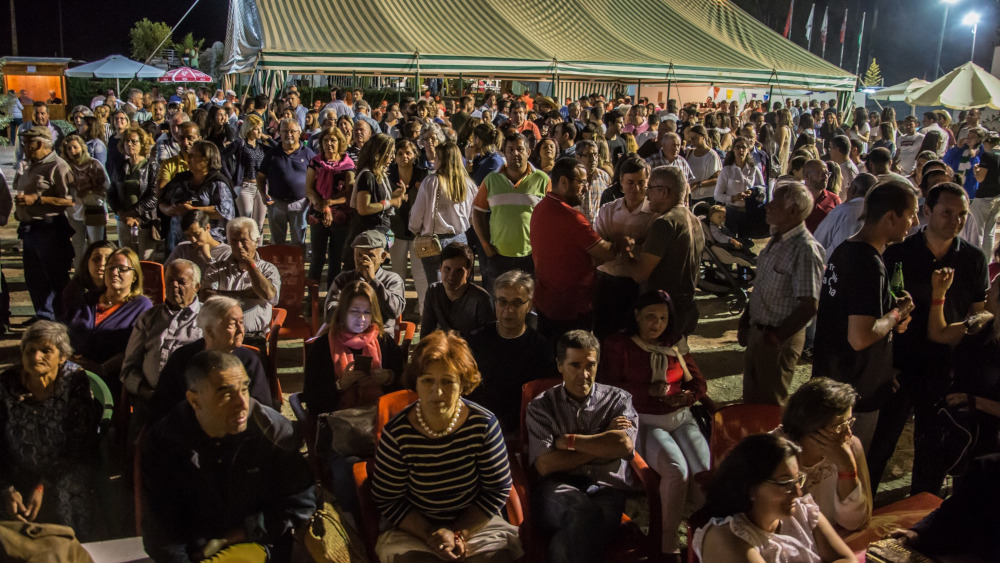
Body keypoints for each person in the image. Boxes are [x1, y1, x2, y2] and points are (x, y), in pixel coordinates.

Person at [867, 183, 989, 495]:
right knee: (880, 447)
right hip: (900, 367)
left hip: (943, 370)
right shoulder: (898, 254)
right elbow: (879, 312)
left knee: (932, 452)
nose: (955, 220)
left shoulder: (973, 259)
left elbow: (978, 318)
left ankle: (921, 516)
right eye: (947, 212)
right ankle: (858, 512)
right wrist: (884, 366)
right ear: (926, 212)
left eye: (962, 214)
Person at [141, 350, 315, 562]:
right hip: (192, 551)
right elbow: (161, 532)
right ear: (194, 401)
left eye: (244, 389)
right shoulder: (165, 441)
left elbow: (299, 504)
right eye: (225, 394)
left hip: (257, 543)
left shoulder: (272, 431)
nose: (242, 404)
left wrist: (235, 536)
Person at [370, 330, 522, 563]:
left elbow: (497, 489)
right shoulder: (398, 432)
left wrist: (458, 533)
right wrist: (433, 536)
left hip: (477, 525)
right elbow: (388, 498)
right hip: (415, 530)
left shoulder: (483, 424)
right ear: (416, 384)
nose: (437, 392)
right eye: (427, 380)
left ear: (462, 384)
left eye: (448, 381)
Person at [598, 290, 710, 557]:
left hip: (681, 418)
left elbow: (698, 381)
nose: (656, 324)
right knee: (676, 470)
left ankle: (706, 540)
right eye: (650, 317)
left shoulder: (674, 344)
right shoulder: (620, 345)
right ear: (636, 316)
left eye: (662, 318)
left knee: (704, 473)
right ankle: (667, 545)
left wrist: (688, 395)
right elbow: (608, 388)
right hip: (645, 419)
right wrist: (645, 391)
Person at [812, 181, 919, 451]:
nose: (915, 221)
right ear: (891, 216)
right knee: (844, 470)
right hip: (853, 396)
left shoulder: (846, 249)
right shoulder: (868, 263)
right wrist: (897, 313)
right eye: (911, 213)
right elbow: (860, 336)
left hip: (834, 382)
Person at [527, 330, 639, 563]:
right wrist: (601, 439)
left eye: (590, 365)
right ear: (559, 366)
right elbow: (546, 465)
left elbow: (622, 445)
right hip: (556, 489)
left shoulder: (619, 400)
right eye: (575, 365)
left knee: (563, 544)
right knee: (582, 512)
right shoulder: (541, 406)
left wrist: (568, 442)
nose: (584, 374)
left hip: (606, 490)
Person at [0, 322, 100, 540]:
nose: (36, 357)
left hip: (64, 466)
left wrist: (42, 485)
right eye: (30, 350)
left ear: (63, 356)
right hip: (16, 468)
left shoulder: (74, 380)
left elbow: (80, 442)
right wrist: (6, 488)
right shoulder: (6, 383)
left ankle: (72, 547)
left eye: (46, 350)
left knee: (65, 491)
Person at [693, 434, 858, 563]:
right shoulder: (727, 538)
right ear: (751, 485)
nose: (798, 493)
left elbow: (847, 559)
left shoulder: (802, 511)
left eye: (797, 480)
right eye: (785, 483)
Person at [739, 180, 824, 405]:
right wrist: (746, 320)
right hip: (761, 333)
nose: (768, 206)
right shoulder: (777, 238)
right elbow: (762, 285)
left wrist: (776, 338)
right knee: (751, 400)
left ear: (793, 210)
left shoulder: (805, 249)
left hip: (778, 339)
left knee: (769, 405)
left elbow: (809, 306)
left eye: (774, 203)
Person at [530, 158, 620, 339]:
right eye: (582, 182)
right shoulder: (572, 217)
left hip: (546, 302)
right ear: (564, 182)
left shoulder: (539, 208)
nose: (586, 188)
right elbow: (606, 253)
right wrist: (622, 243)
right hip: (572, 307)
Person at [151, 296, 275, 422]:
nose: (240, 330)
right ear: (210, 331)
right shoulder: (182, 359)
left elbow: (262, 410)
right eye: (232, 324)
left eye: (241, 322)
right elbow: (163, 406)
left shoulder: (249, 360)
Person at [778, 378, 873, 532]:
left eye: (849, 422)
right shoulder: (776, 453)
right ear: (810, 425)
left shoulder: (850, 448)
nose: (848, 433)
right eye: (840, 425)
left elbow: (857, 523)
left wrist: (847, 468)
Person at [467, 270, 555, 434]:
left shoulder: (541, 349)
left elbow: (541, 399)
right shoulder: (476, 340)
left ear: (529, 305)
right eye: (502, 302)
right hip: (478, 423)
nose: (509, 309)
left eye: (516, 303)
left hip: (522, 427)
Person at [120, 259, 203, 433]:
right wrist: (145, 392)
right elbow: (128, 368)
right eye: (170, 280)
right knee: (139, 443)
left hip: (193, 402)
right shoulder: (148, 318)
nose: (174, 286)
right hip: (150, 399)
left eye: (181, 282)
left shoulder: (207, 318)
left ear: (196, 286)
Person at [61, 247, 153, 396]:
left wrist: (101, 368)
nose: (115, 272)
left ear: (134, 276)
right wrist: (68, 357)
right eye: (110, 267)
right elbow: (62, 331)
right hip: (71, 369)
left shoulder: (141, 305)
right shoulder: (87, 299)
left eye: (122, 268)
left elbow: (136, 349)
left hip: (110, 378)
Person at [625, 166, 705, 337]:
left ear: (663, 191)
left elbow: (640, 274)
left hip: (664, 314)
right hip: (686, 309)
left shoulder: (665, 223)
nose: (647, 195)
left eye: (650, 189)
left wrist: (626, 252)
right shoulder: (694, 220)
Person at [13, 126, 76, 326]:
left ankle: (65, 320)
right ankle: (44, 316)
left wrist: (38, 200)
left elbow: (70, 200)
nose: (23, 147)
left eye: (27, 143)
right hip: (30, 230)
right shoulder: (30, 165)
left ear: (39, 143)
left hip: (50, 230)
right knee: (34, 277)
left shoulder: (58, 166)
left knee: (55, 277)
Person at [472, 133, 551, 285]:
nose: (515, 153)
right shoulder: (491, 179)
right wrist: (485, 245)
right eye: (510, 150)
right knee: (499, 302)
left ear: (528, 152)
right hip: (498, 255)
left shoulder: (543, 180)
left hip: (531, 256)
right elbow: (477, 213)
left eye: (520, 149)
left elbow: (550, 219)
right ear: (504, 152)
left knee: (527, 302)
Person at [593, 155, 656, 339]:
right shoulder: (608, 210)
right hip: (607, 282)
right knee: (603, 335)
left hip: (636, 287)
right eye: (630, 182)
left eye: (641, 182)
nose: (635, 189)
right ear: (621, 182)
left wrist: (617, 246)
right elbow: (599, 247)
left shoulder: (654, 215)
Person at [409, 142, 478, 285]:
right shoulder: (469, 184)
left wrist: (415, 229)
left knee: (436, 287)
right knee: (458, 285)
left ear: (441, 160)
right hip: (460, 239)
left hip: (433, 241)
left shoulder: (431, 182)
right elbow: (473, 216)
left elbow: (417, 214)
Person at [201, 217, 280, 337]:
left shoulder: (268, 269)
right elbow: (205, 296)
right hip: (221, 335)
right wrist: (246, 294)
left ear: (256, 241)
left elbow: (268, 294)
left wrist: (250, 264)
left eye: (243, 240)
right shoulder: (216, 268)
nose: (238, 246)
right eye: (233, 240)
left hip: (253, 335)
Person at [324, 230, 406, 339]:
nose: (363, 260)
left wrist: (373, 280)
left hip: (380, 336)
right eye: (359, 255)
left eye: (370, 256)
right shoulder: (343, 279)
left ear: (383, 257)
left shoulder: (392, 280)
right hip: (345, 336)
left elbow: (394, 311)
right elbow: (329, 314)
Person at [159, 140, 236, 250]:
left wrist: (192, 209)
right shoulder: (181, 178)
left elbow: (225, 211)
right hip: (177, 243)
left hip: (207, 243)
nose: (188, 159)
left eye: (192, 156)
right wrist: (167, 210)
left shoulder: (217, 182)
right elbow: (162, 200)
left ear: (206, 159)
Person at [305, 126, 356, 285]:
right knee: (317, 257)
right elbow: (309, 189)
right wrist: (323, 207)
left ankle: (332, 296)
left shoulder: (348, 164)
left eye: (333, 140)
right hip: (318, 211)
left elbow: (349, 192)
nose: (329, 144)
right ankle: (311, 299)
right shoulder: (315, 162)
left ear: (340, 142)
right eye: (325, 140)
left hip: (341, 215)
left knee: (336, 257)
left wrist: (331, 204)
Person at [387, 139, 430, 309]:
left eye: (408, 153)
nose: (404, 156)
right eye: (400, 153)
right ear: (395, 157)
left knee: (421, 274)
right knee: (396, 273)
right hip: (394, 231)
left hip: (419, 232)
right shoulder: (389, 175)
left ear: (414, 156)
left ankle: (423, 312)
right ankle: (397, 312)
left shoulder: (423, 175)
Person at [420, 241, 492, 338]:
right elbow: (426, 333)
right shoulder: (434, 291)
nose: (451, 276)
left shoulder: (481, 299)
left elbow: (488, 339)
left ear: (468, 272)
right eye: (447, 269)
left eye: (459, 271)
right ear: (440, 268)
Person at [60, 134, 110, 261]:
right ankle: (80, 273)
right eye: (69, 148)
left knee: (95, 243)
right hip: (73, 210)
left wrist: (89, 192)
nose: (72, 151)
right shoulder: (66, 167)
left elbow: (106, 185)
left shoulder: (93, 163)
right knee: (77, 243)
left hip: (93, 208)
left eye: (75, 147)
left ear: (82, 147)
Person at [813, 173, 879, 258]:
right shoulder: (878, 214)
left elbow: (818, 241)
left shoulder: (841, 210)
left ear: (854, 189)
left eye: (849, 186)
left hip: (836, 266)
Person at [354, 133, 406, 238]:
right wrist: (390, 202)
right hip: (369, 235)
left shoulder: (380, 175)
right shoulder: (367, 175)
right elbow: (363, 208)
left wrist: (395, 196)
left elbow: (377, 199)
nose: (392, 157)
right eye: (390, 153)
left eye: (393, 153)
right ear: (378, 153)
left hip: (381, 232)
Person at [714, 137, 765, 237]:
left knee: (746, 241)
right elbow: (717, 195)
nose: (741, 150)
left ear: (748, 150)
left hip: (748, 212)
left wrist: (753, 191)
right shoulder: (727, 170)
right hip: (731, 212)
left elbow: (763, 188)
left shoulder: (753, 169)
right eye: (737, 147)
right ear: (733, 149)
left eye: (744, 147)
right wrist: (732, 198)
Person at [167, 209, 233, 274]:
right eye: (188, 236)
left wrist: (208, 258)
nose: (193, 240)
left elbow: (223, 278)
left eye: (197, 234)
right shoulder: (182, 249)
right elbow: (164, 272)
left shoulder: (226, 252)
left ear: (207, 227)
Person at [971, 130, 1000, 255]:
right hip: (998, 196)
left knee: (978, 231)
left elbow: (980, 178)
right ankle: (987, 262)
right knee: (990, 232)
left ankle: (978, 260)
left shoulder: (987, 155)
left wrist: (975, 170)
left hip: (984, 196)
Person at [802, 159, 842, 233]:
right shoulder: (795, 197)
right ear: (808, 176)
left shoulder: (834, 200)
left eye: (827, 173)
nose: (826, 176)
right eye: (820, 173)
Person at [684, 125, 721, 202]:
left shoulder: (712, 155)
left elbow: (717, 179)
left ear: (703, 137)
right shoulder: (690, 153)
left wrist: (698, 184)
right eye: (690, 138)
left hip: (706, 196)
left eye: (695, 138)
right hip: (691, 195)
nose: (692, 140)